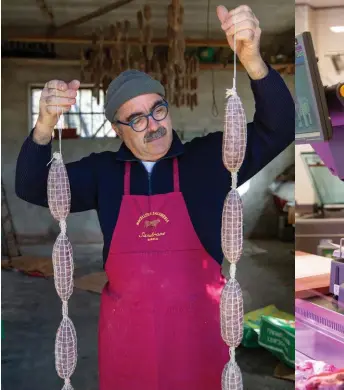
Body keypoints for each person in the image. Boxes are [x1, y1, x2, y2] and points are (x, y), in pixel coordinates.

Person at [15, 4, 294, 390]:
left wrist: (253, 62)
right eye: (137, 119)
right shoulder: (103, 173)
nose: (153, 125)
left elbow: (279, 128)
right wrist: (44, 126)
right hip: (128, 336)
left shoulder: (209, 160)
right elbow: (31, 185)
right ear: (118, 129)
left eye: (157, 109)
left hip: (200, 333)